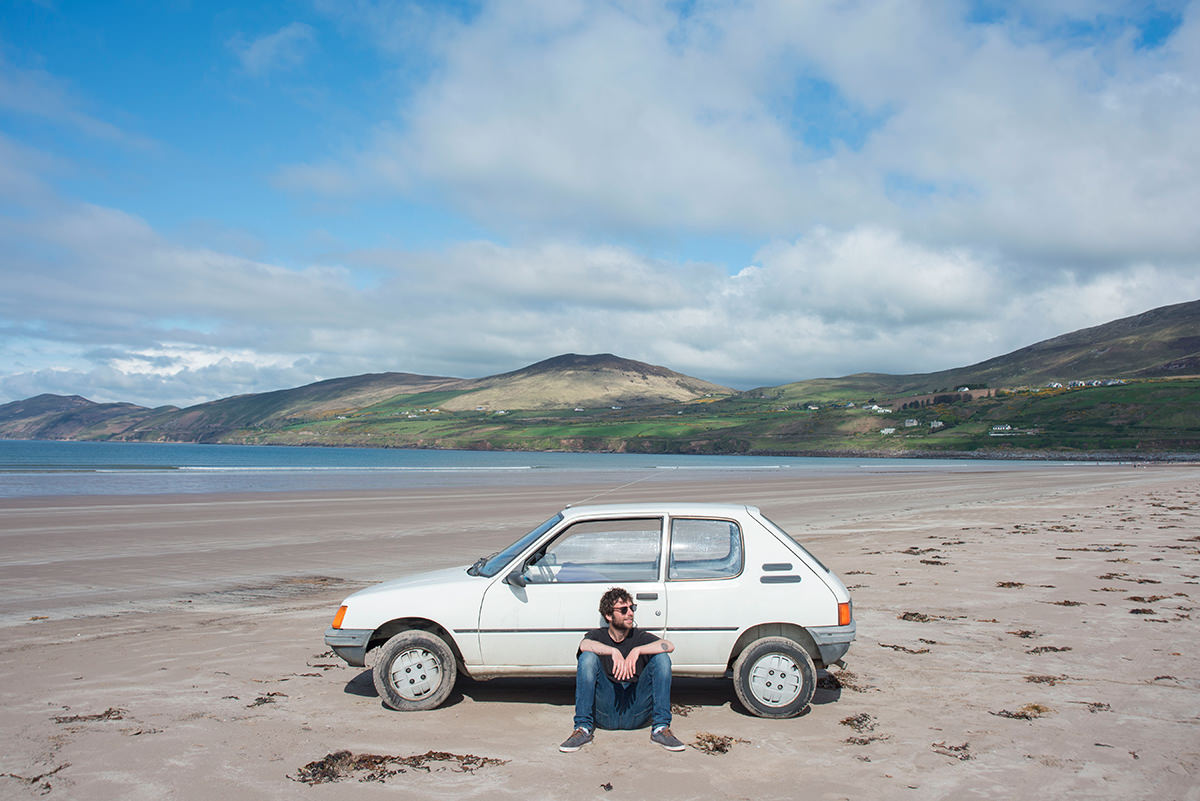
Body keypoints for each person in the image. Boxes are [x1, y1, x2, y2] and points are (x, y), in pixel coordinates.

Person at [559, 586, 685, 752]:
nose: (630, 613)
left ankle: (660, 729)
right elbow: (584, 645)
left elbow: (669, 645)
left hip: (636, 711)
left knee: (662, 658)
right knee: (587, 657)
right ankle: (583, 728)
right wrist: (613, 651)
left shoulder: (639, 636)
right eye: (623, 610)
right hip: (605, 711)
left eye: (632, 608)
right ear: (609, 615)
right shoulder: (598, 636)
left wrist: (637, 650)